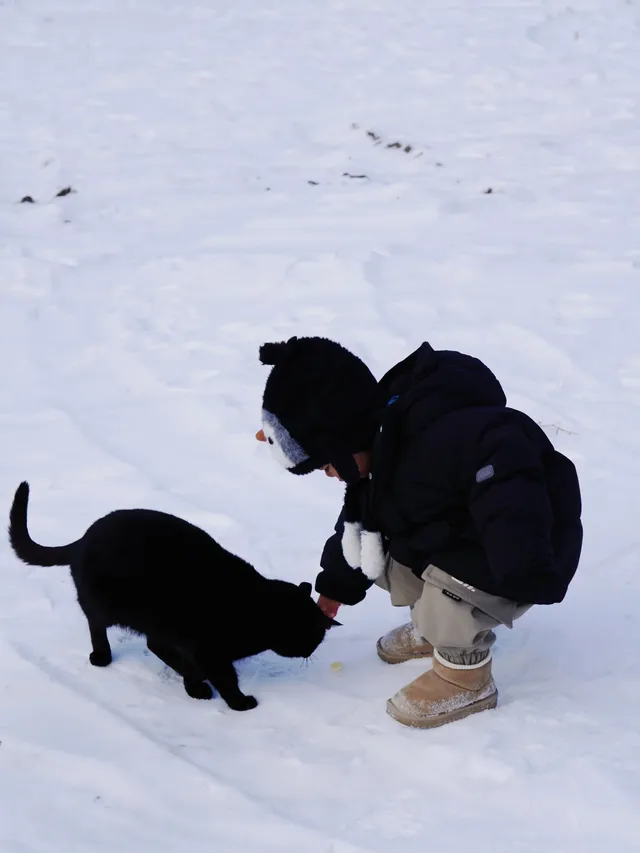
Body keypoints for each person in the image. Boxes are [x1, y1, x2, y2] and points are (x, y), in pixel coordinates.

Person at [255, 336, 582, 728]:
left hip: (520, 551)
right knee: (381, 556)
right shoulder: (382, 452)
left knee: (446, 594)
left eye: (326, 464)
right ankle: (435, 629)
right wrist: (334, 588)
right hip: (463, 540)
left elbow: (508, 472)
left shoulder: (444, 435)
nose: (329, 474)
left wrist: (520, 559)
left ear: (343, 441)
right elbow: (357, 528)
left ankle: (465, 676)